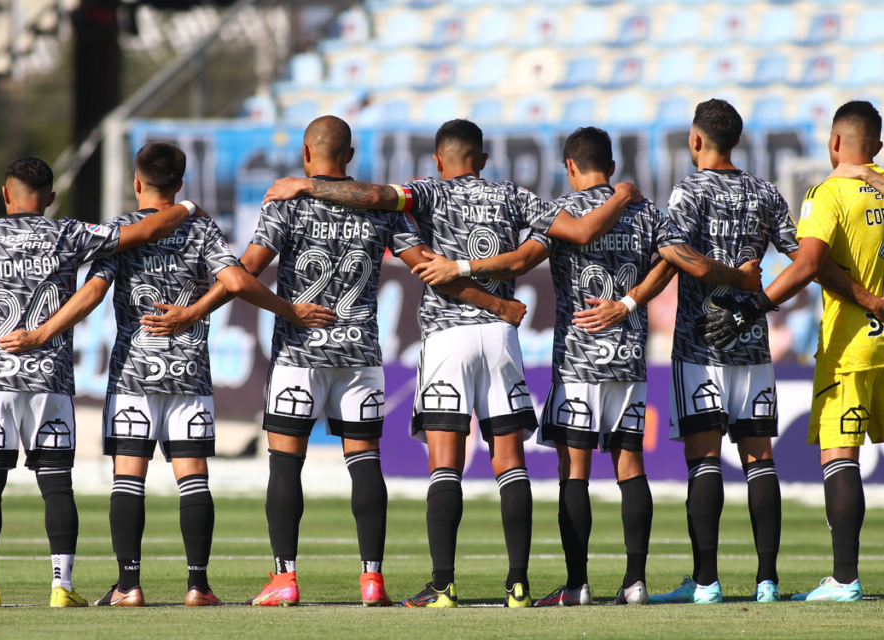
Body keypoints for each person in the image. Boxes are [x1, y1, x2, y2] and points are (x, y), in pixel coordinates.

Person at [142, 117, 525, 607]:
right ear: (349, 155)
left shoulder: (288, 200)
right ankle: (372, 580)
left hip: (298, 353)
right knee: (365, 464)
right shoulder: (382, 211)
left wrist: (192, 311)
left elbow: (247, 269)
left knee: (286, 464)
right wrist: (496, 305)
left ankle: (285, 579)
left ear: (307, 153)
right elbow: (431, 270)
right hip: (359, 353)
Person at [263, 118, 639, 608]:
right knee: (511, 463)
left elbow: (375, 197)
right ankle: (518, 586)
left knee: (446, 464)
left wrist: (307, 185)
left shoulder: (427, 193)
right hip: (500, 338)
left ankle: (443, 586)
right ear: (482, 160)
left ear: (438, 162)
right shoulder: (512, 195)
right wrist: (623, 193)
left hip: (445, 337)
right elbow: (585, 229)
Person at [412, 126, 762, 606]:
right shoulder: (646, 211)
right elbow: (677, 260)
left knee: (574, 470)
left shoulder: (565, 211)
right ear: (612, 167)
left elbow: (520, 261)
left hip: (577, 360)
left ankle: (576, 586)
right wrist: (631, 300)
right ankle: (635, 583)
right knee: (630, 467)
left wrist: (463, 268)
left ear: (570, 167)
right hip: (628, 359)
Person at [0, 142, 334, 607]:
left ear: (137, 183)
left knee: (128, 479)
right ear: (179, 184)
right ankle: (198, 586)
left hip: (133, 374)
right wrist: (290, 310)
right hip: (190, 377)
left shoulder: (121, 230)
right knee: (193, 478)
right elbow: (236, 281)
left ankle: (128, 585)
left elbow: (93, 292)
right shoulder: (200, 226)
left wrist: (42, 332)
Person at [704, 101, 884, 601]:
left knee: (841, 457)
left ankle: (845, 578)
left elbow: (808, 264)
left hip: (849, 350)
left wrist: (754, 307)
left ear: (835, 142)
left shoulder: (828, 194)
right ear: (876, 146)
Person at [651, 99, 884, 604]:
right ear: (735, 141)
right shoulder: (763, 191)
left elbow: (677, 253)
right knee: (760, 462)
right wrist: (863, 294)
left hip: (701, 346)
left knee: (704, 462)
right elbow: (807, 259)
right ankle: (767, 581)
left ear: (696, 140)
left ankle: (706, 582)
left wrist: (725, 274)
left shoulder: (688, 190)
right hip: (753, 347)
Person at [0, 157, 197, 608]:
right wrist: (188, 205)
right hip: (50, 380)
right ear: (50, 198)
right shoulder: (69, 233)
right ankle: (63, 586)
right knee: (56, 485)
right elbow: (149, 230)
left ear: (5, 194)